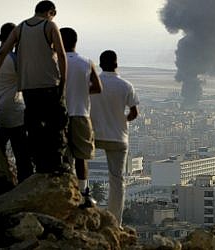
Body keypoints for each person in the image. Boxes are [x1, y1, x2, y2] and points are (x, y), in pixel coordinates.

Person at [0, 1, 69, 174]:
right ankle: (55, 164)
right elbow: (61, 54)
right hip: (49, 84)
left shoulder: (20, 27)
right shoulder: (50, 25)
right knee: (55, 125)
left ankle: (39, 165)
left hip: (28, 87)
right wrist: (63, 80)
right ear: (51, 12)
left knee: (34, 128)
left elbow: (3, 52)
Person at [90, 50, 139, 225]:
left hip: (94, 134)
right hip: (118, 136)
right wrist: (122, 120)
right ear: (116, 64)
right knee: (117, 179)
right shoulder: (126, 86)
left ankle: (82, 200)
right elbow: (134, 112)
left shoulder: (93, 83)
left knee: (78, 163)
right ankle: (114, 221)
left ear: (100, 65)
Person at [0, 23, 33, 183]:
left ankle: (0, 179)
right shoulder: (15, 59)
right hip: (15, 111)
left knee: (0, 148)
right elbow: (26, 81)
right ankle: (24, 184)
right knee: (22, 154)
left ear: (0, 37)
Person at [60, 27, 102, 207]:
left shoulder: (55, 61)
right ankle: (83, 192)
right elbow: (98, 88)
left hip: (60, 113)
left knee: (62, 154)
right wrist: (82, 91)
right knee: (81, 156)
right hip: (81, 113)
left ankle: (65, 190)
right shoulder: (87, 62)